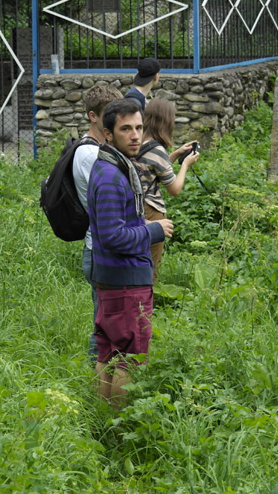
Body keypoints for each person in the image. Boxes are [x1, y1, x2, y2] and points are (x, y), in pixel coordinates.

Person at [87, 97, 173, 407]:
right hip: (125, 283)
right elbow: (112, 236)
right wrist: (154, 229)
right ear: (108, 134)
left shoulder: (113, 165)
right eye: (126, 129)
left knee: (108, 353)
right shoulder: (111, 175)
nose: (135, 135)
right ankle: (120, 430)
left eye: (139, 127)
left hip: (113, 280)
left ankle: (102, 421)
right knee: (129, 359)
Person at [71, 84, 122, 363]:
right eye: (109, 115)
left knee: (109, 321)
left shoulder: (101, 149)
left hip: (102, 245)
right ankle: (96, 382)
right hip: (101, 249)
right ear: (93, 116)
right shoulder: (91, 155)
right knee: (103, 325)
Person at [134, 98, 199, 282]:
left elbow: (153, 170)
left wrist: (176, 153)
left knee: (137, 260)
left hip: (137, 207)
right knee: (150, 266)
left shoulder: (141, 142)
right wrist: (185, 164)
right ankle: (146, 305)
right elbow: (175, 189)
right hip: (152, 211)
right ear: (166, 121)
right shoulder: (157, 150)